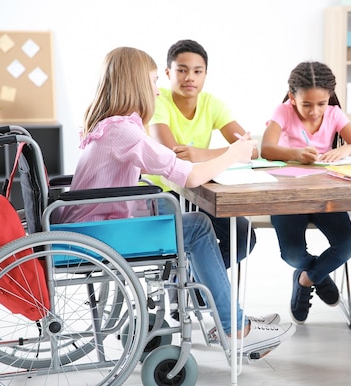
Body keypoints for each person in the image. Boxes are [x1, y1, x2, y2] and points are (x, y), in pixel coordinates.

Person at [57, 46, 295, 355]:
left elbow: (164, 163)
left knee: (199, 225)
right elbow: (189, 175)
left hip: (93, 227)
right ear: (136, 83)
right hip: (99, 235)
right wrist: (231, 154)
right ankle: (234, 327)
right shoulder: (123, 132)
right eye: (154, 81)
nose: (157, 91)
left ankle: (219, 313)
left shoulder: (111, 126)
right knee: (197, 226)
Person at [260, 61, 351, 324]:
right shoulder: (283, 112)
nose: (314, 111)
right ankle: (316, 273)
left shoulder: (334, 114)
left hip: (325, 194)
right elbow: (266, 148)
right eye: (306, 104)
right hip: (288, 195)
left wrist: (345, 150)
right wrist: (295, 154)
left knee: (346, 245)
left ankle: (306, 278)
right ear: (291, 96)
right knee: (293, 255)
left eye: (321, 103)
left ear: (329, 97)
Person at [148, 39, 256, 269]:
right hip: (165, 191)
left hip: (198, 191)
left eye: (198, 71)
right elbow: (172, 156)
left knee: (244, 237)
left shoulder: (212, 104)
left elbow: (251, 149)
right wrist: (232, 153)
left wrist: (200, 154)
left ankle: (194, 284)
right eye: (182, 70)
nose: (190, 78)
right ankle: (196, 287)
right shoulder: (158, 101)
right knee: (204, 233)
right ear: (168, 72)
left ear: (206, 74)